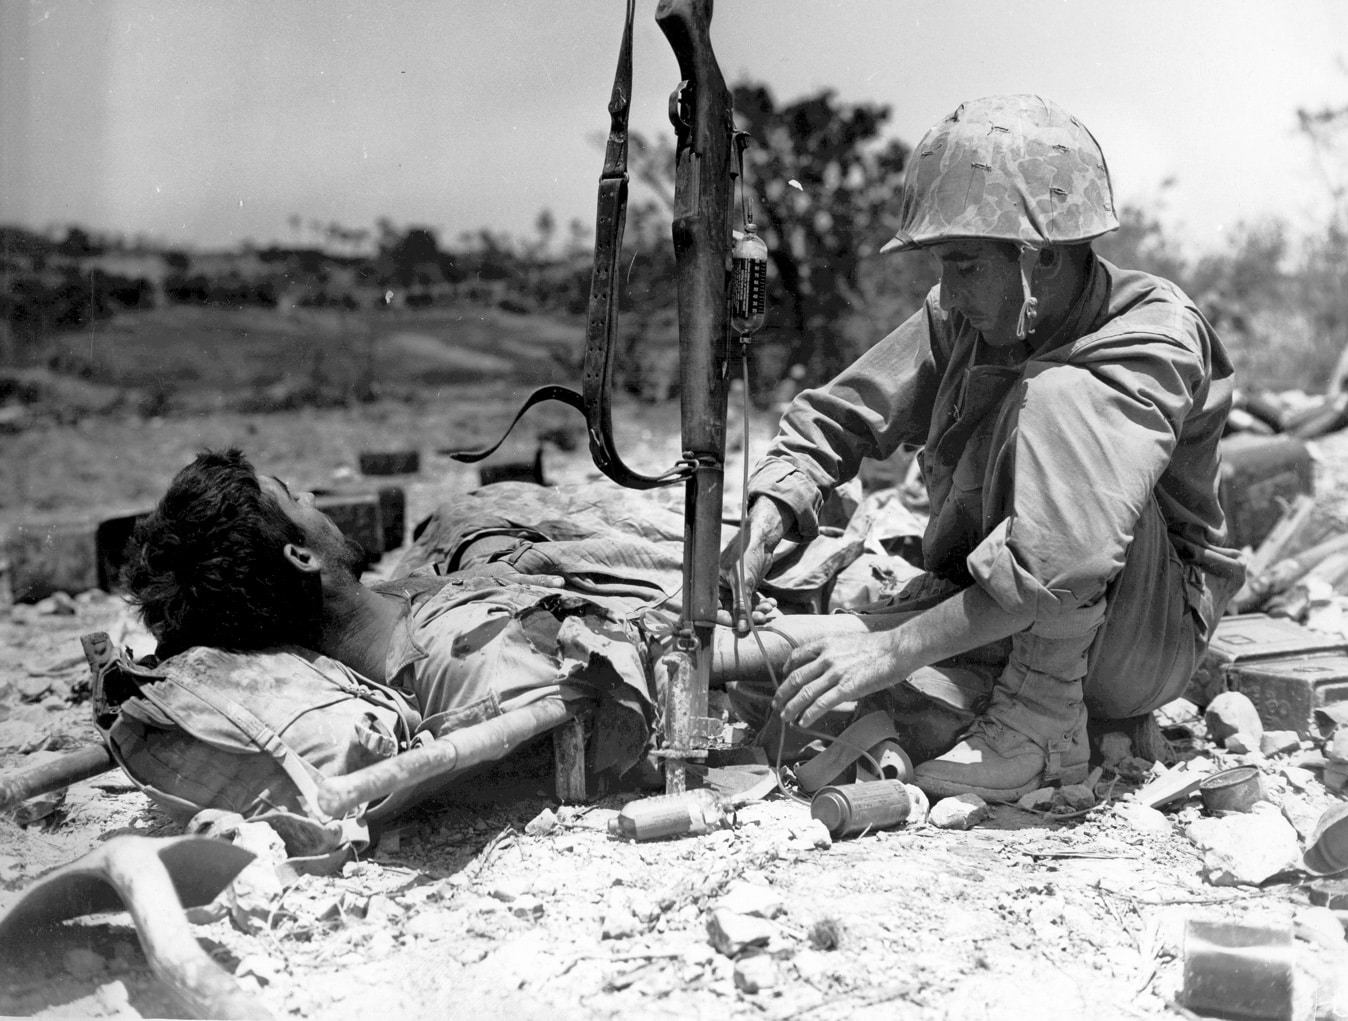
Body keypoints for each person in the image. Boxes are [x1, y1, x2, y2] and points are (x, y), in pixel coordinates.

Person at [721, 94, 1248, 801]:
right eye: (941, 266)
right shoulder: (970, 312)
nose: (947, 290)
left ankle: (1037, 726)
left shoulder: (1153, 332)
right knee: (772, 668)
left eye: (965, 266)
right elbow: (844, 414)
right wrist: (770, 512)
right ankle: (973, 673)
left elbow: (1064, 557)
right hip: (1001, 595)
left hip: (1144, 636)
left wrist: (887, 648)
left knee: (1052, 396)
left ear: (1045, 259)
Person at [122, 448, 654, 779]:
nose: (310, 495)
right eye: (292, 498)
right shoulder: (464, 653)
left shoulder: (402, 602)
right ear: (301, 556)